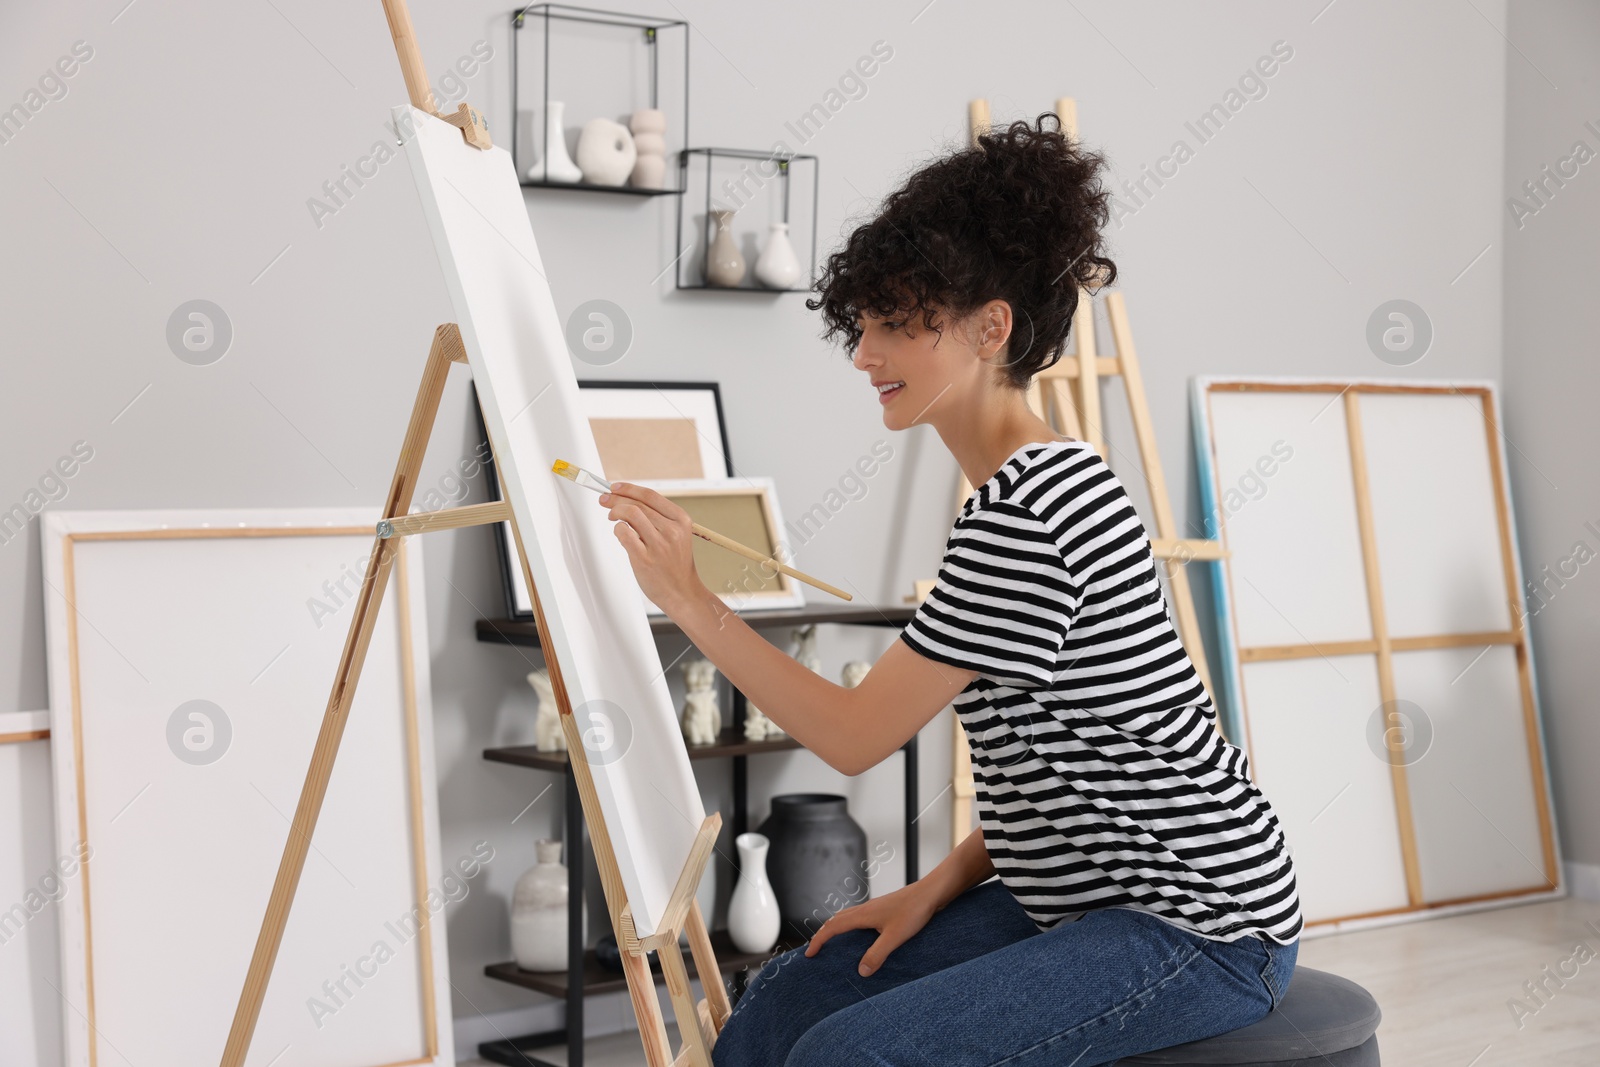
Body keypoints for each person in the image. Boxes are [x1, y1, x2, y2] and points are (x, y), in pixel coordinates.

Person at [594, 112, 1302, 1067]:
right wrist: (938, 886)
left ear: (989, 329)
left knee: (844, 1053)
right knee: (789, 996)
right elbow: (1072, 759)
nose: (862, 353)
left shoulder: (1033, 511)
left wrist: (688, 596)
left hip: (1200, 924)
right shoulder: (1024, 490)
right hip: (1081, 890)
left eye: (894, 325)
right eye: (864, 322)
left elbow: (852, 738)